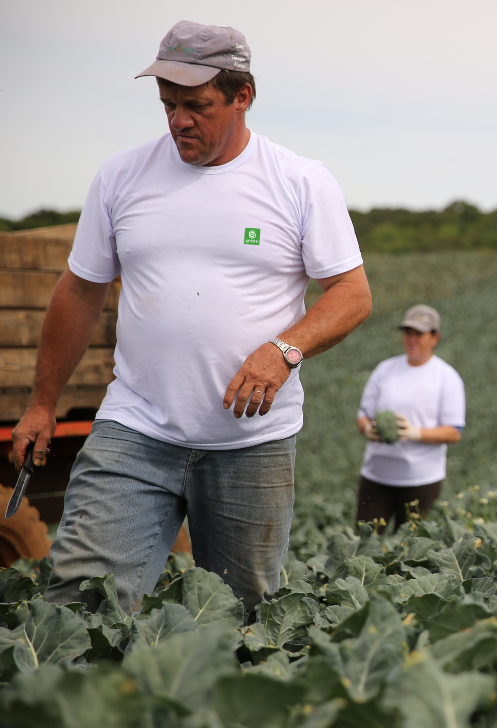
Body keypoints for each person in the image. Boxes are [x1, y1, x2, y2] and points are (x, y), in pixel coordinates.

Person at [9, 20, 372, 611]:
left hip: (252, 442)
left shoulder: (300, 182)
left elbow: (352, 294)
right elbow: (79, 291)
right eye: (168, 104)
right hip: (136, 428)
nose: (179, 119)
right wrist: (43, 403)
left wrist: (284, 350)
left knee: (242, 617)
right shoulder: (121, 177)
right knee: (80, 603)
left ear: (242, 96)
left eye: (197, 105)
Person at [355, 304, 465, 532]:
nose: (412, 339)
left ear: (435, 337)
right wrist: (367, 429)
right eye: (408, 332)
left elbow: (454, 432)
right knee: (364, 542)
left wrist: (414, 432)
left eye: (419, 333)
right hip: (376, 475)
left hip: (421, 480)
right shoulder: (384, 370)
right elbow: (363, 416)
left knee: (408, 551)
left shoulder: (446, 378)